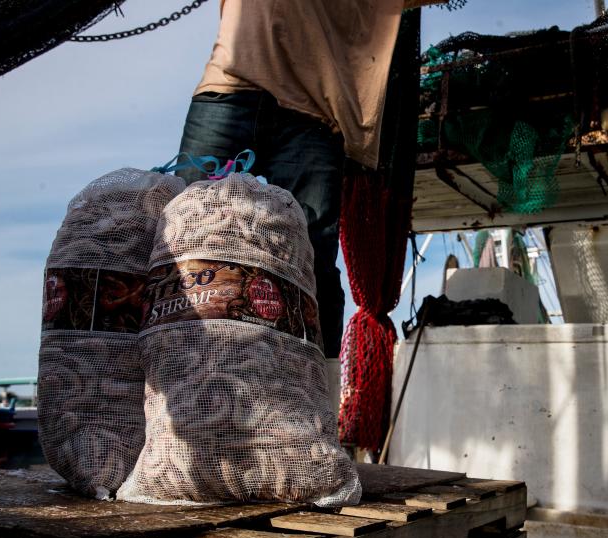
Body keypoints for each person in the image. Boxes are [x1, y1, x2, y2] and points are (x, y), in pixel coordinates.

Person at [177, 0, 438, 358]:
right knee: (184, 235)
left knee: (311, 258)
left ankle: (318, 382)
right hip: (230, 87)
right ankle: (176, 358)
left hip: (314, 114)